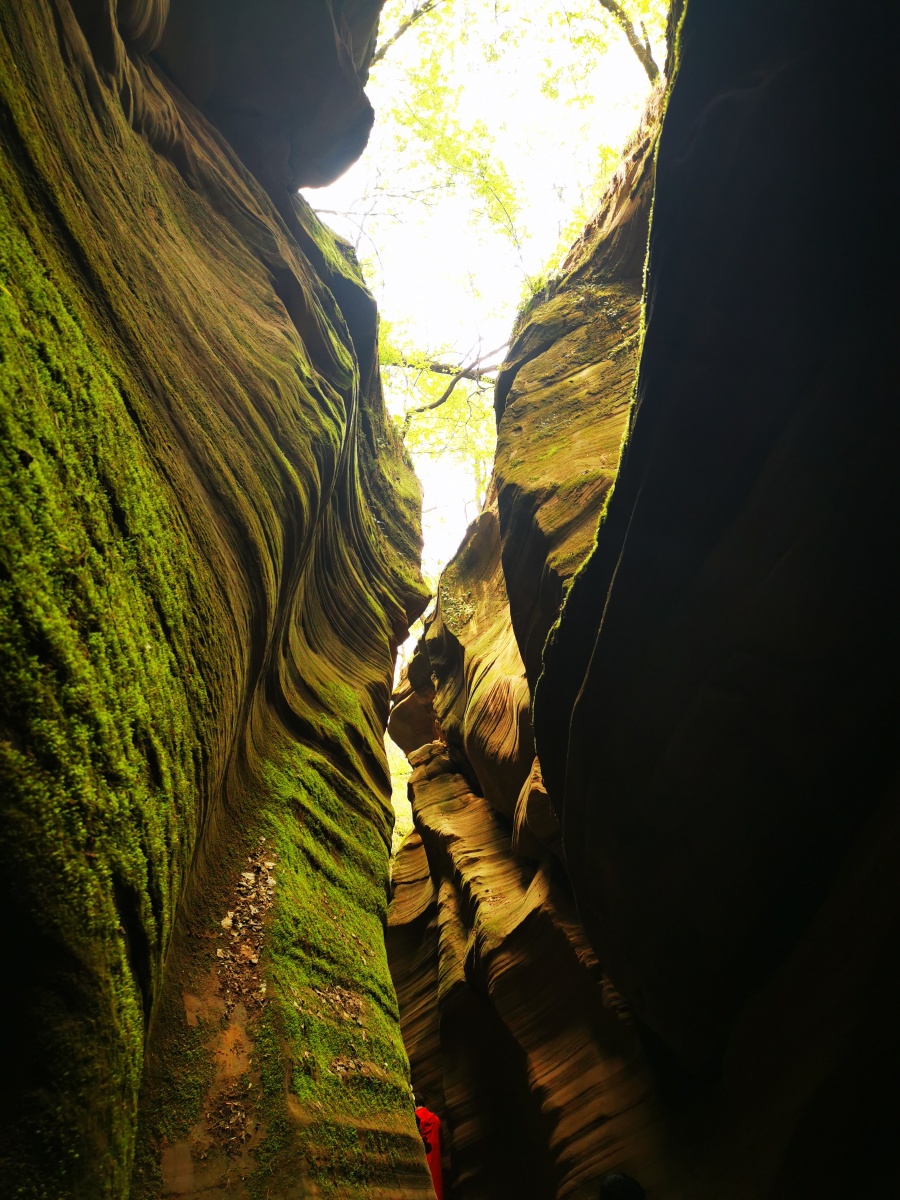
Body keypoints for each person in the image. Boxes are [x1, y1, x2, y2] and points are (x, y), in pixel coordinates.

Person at [414, 1098, 444, 1200]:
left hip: (421, 1164)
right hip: (435, 1162)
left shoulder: (414, 1119)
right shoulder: (436, 1120)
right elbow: (442, 1144)